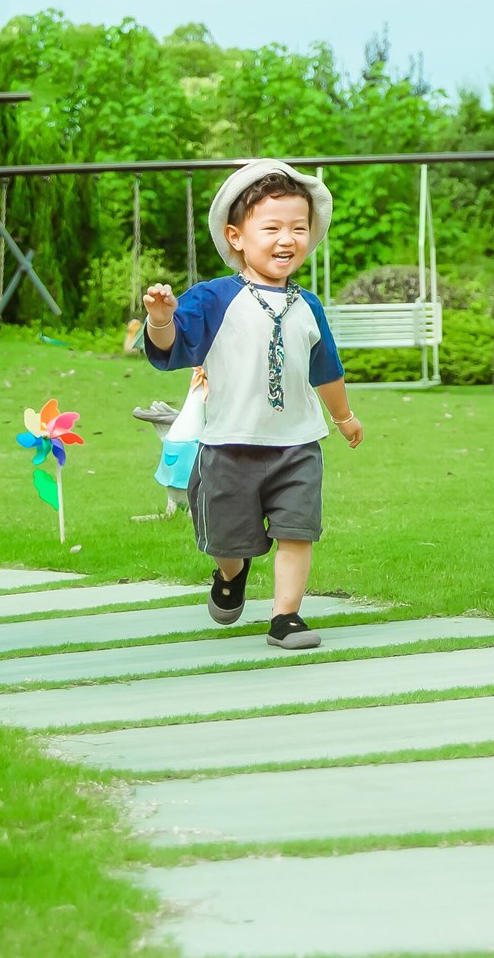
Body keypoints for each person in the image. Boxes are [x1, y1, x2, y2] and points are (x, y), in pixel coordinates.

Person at [140, 159, 362, 649]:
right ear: (237, 236)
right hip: (229, 446)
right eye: (273, 228)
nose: (288, 239)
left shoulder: (309, 306)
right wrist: (160, 319)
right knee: (228, 541)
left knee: (297, 531)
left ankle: (286, 617)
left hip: (297, 444)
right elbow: (172, 346)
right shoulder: (214, 299)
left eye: (299, 228)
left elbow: (325, 369)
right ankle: (230, 574)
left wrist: (343, 417)